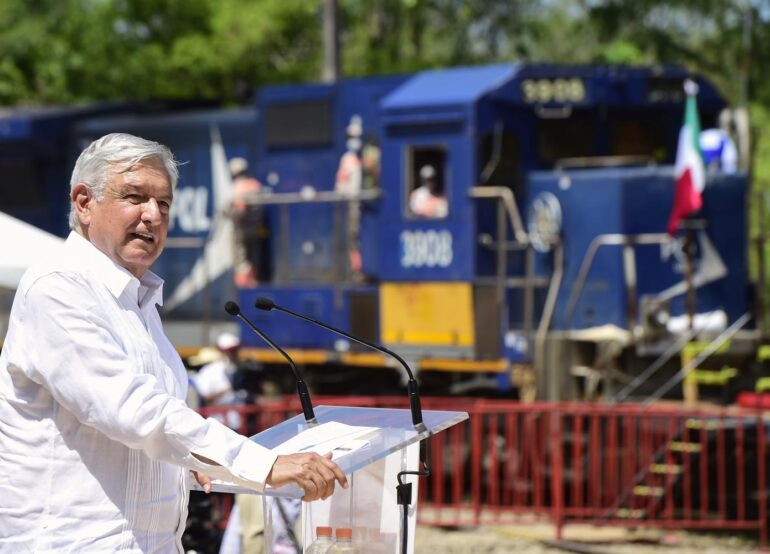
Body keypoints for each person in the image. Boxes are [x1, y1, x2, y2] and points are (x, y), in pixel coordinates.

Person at [0, 133, 347, 552]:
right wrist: (265, 464)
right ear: (84, 203)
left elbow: (131, 442)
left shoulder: (138, 302)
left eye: (163, 203)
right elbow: (133, 411)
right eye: (135, 197)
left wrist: (191, 466)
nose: (153, 215)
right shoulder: (58, 287)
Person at [192, 332, 247, 431]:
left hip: (237, 423)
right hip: (219, 424)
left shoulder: (238, 369)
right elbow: (204, 398)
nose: (234, 354)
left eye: (235, 350)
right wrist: (228, 390)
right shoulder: (209, 371)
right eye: (230, 351)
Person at [335, 116, 365, 277]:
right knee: (352, 239)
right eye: (351, 137)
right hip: (350, 204)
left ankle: (358, 270)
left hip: (360, 204)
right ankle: (355, 271)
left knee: (356, 239)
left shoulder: (365, 158)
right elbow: (341, 185)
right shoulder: (347, 159)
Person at [229, 157, 265, 287]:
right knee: (253, 258)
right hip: (257, 230)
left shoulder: (239, 186)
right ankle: (253, 283)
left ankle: (243, 289)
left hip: (242, 230)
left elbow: (240, 211)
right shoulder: (256, 184)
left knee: (241, 260)